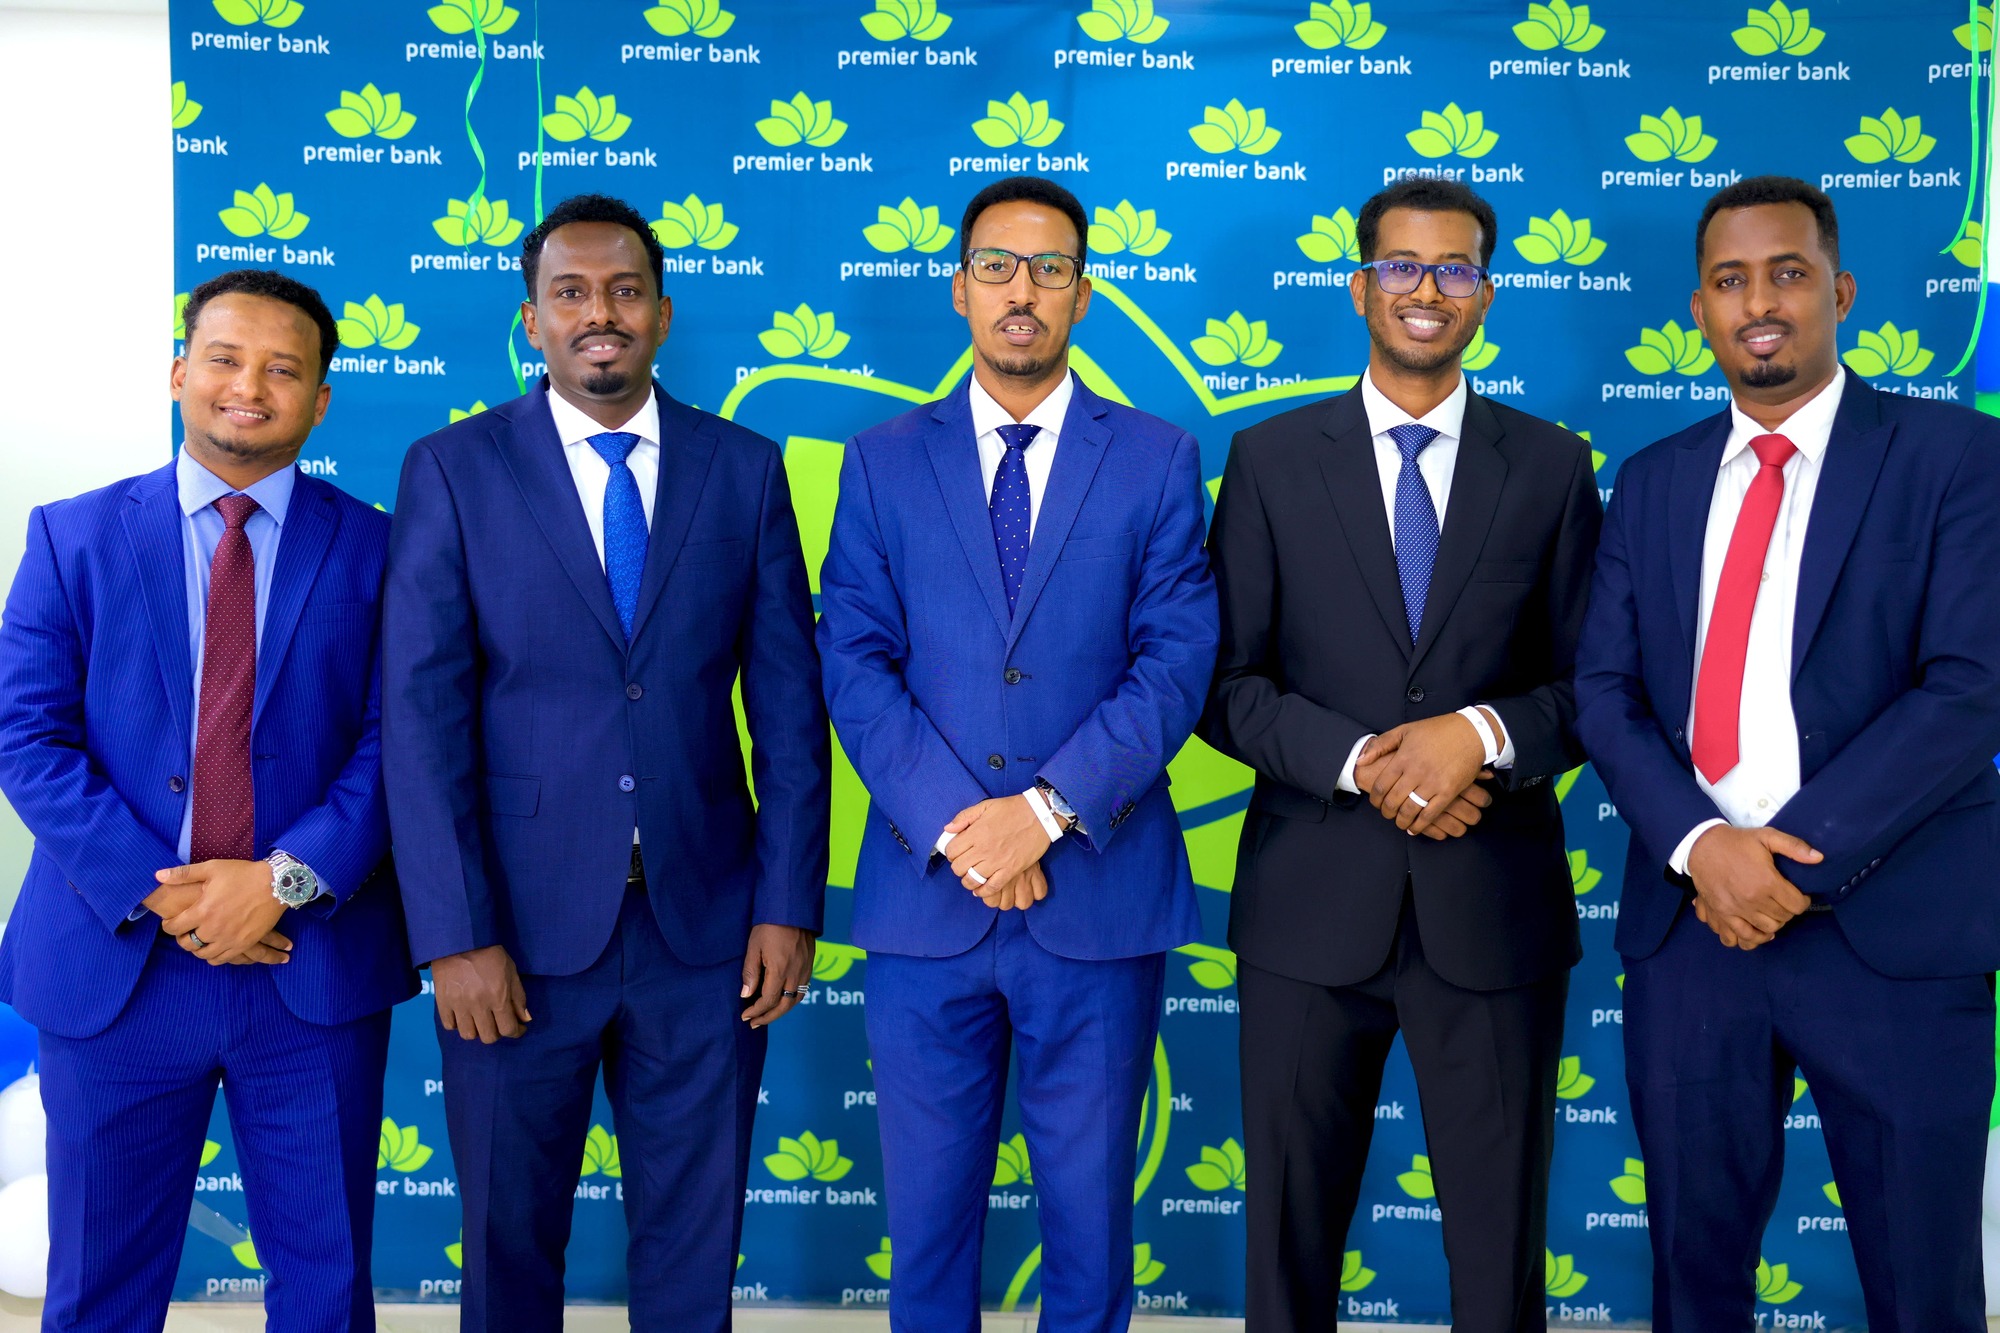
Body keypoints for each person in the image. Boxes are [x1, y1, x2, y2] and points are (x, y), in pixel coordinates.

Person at [382, 193, 830, 1332]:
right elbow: (421, 717)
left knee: (693, 1246)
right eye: (570, 293)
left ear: (663, 314)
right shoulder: (453, 468)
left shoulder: (745, 469)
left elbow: (787, 709)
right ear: (530, 320)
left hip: (707, 932)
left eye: (624, 291)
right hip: (513, 938)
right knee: (506, 1239)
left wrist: (786, 906)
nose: (600, 313)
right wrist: (453, 933)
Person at [1575, 176, 2000, 1332]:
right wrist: (1705, 847)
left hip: (1890, 935)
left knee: (1921, 1287)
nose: (1757, 300)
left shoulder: (1959, 457)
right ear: (1699, 311)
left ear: (1839, 291)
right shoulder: (1650, 480)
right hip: (1692, 934)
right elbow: (1602, 693)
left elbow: (1968, 689)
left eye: (1786, 272)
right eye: (1728, 280)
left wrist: (1788, 864)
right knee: (1692, 1281)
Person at [817, 175, 1217, 1333]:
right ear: (958, 289)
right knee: (927, 1226)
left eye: (1049, 268)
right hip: (923, 903)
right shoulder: (883, 460)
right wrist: (965, 822)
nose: (1021, 291)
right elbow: (853, 660)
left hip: (1094, 902)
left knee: (1088, 1226)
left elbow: (1173, 663)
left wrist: (1039, 813)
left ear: (1082, 294)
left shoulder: (1152, 457)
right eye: (996, 265)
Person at [1202, 178, 1602, 1333]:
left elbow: (1593, 690)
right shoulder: (1270, 460)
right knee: (1285, 1245)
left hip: (1492, 908)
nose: (1426, 290)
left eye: (1455, 268)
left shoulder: (1550, 466)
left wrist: (1473, 741)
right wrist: (1369, 761)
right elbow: (1223, 686)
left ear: (1485, 290)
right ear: (1358, 283)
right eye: (1400, 266)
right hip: (1305, 907)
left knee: (1496, 1251)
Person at [0, 269, 413, 1332]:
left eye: (285, 369)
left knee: (325, 1288)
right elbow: (27, 736)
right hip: (117, 963)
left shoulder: (379, 548)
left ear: (320, 400)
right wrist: (173, 893)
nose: (250, 386)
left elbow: (399, 741)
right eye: (225, 359)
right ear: (180, 372)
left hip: (308, 965)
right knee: (99, 1288)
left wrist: (279, 882)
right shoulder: (72, 536)